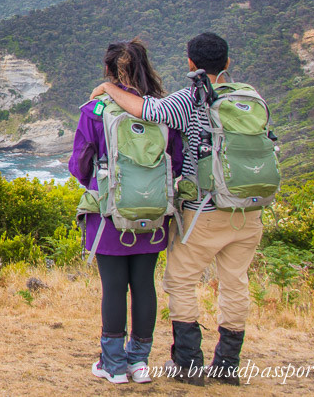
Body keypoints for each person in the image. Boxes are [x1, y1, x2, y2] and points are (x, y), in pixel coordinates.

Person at [91, 32, 262, 386]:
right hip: (249, 211)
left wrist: (108, 89)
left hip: (204, 210)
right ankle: (228, 364)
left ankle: (188, 362)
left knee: (181, 283)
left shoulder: (190, 99)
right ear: (228, 63)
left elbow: (146, 109)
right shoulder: (250, 97)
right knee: (235, 284)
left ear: (189, 63)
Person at [70, 38, 183, 385]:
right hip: (153, 214)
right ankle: (139, 363)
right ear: (146, 67)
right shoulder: (162, 112)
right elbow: (175, 165)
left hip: (109, 215)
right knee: (144, 286)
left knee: (114, 288)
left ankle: (114, 364)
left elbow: (79, 166)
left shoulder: (95, 110)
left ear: (107, 70)